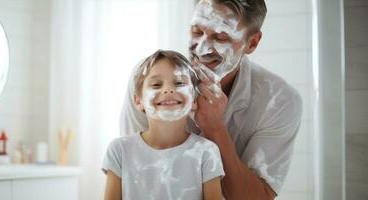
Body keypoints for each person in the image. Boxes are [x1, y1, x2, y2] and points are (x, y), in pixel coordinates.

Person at [120, 0, 303, 199]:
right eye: (197, 32)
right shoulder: (149, 81)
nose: (202, 48)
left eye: (220, 37)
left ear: (252, 43)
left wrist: (214, 128)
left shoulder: (279, 100)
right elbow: (135, 178)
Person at [102, 50, 225, 200]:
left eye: (179, 83)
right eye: (156, 84)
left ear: (194, 99)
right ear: (138, 101)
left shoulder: (207, 152)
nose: (168, 89)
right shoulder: (119, 150)